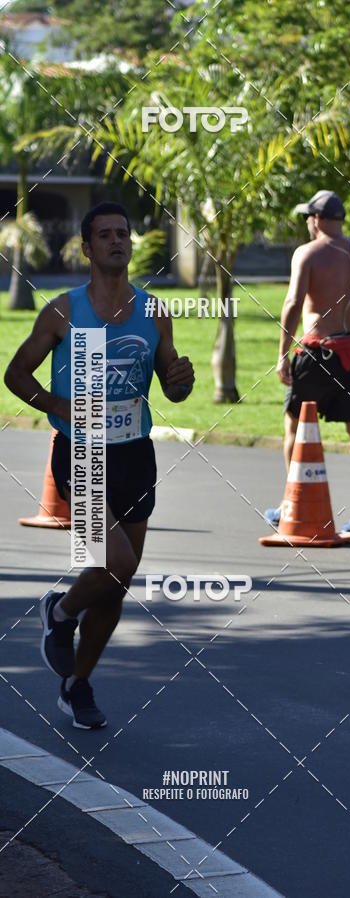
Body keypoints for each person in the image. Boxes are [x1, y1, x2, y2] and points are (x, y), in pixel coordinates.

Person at [4, 201, 195, 729]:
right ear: (87, 248)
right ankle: (60, 613)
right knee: (119, 563)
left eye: (124, 234)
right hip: (83, 453)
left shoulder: (154, 311)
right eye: (106, 235)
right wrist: (57, 404)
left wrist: (182, 380)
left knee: (117, 582)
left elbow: (171, 387)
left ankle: (77, 685)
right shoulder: (64, 311)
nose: (118, 241)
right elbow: (16, 373)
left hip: (136, 451)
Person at [265, 190, 350, 539]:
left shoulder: (308, 253)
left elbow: (292, 303)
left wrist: (283, 353)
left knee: (295, 428)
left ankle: (292, 504)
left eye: (307, 217)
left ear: (316, 219)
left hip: (318, 353)